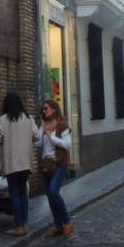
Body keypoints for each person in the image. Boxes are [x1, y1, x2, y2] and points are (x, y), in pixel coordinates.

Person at [0, 90, 39, 236]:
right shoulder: (28, 118)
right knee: (22, 192)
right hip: (25, 162)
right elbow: (37, 135)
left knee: (14, 193)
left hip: (11, 161)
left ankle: (18, 226)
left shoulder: (3, 119)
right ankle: (24, 224)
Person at [38, 98, 73, 237]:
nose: (44, 111)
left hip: (59, 164)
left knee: (53, 192)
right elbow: (39, 144)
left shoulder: (62, 126)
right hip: (47, 165)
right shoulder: (44, 126)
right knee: (50, 196)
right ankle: (58, 225)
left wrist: (51, 137)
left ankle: (67, 222)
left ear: (54, 109)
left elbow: (67, 144)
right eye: (43, 109)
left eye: (46, 108)